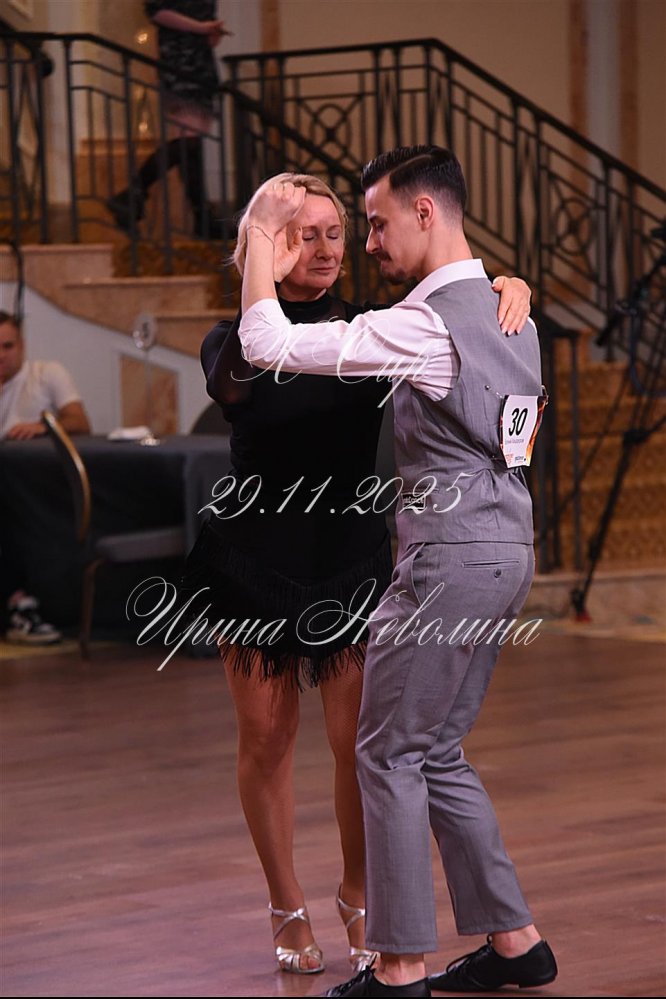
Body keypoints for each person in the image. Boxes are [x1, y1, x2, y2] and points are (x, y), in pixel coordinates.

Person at [179, 171, 532, 977]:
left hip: (351, 557)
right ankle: (285, 900)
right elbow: (237, 379)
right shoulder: (231, 337)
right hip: (256, 559)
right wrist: (257, 261)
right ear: (267, 243)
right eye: (303, 233)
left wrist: (508, 286)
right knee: (267, 737)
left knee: (362, 744)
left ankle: (359, 893)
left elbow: (454, 320)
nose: (328, 248)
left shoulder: (376, 324)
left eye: (336, 231)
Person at [106, 1, 230, 239]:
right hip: (179, 63)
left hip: (201, 64)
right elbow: (157, 12)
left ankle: (202, 218)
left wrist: (210, 34)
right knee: (188, 142)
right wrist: (201, 28)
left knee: (191, 145)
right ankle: (131, 195)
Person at [0, 310, 90, 440]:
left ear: (22, 346)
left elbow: (80, 423)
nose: (1, 355)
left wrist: (44, 427)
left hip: (36, 452)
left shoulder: (47, 373)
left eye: (8, 346)